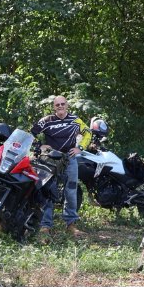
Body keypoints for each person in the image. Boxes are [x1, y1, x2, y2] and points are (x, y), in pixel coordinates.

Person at [32, 96, 87, 236]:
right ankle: (45, 226)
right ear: (54, 107)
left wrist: (80, 148)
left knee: (71, 190)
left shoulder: (75, 120)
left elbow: (88, 133)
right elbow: (31, 133)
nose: (60, 106)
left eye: (63, 104)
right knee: (48, 190)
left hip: (70, 158)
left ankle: (71, 224)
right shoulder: (47, 120)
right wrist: (39, 145)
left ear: (67, 105)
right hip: (51, 159)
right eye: (57, 104)